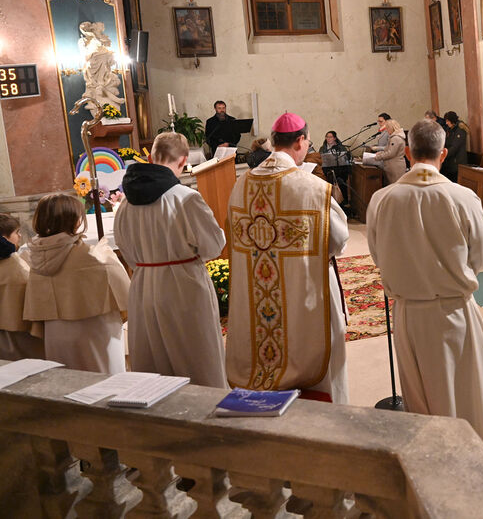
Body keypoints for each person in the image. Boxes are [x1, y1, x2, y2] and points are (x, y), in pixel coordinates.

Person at [366, 119, 483, 479]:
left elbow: (377, 254)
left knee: (422, 399)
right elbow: (480, 255)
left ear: (407, 152)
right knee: (469, 394)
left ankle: (434, 472)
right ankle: (480, 468)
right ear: (444, 153)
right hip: (455, 311)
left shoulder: (382, 200)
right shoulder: (462, 197)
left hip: (409, 314)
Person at [226, 113, 351, 402]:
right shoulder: (313, 188)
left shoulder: (242, 184)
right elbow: (339, 240)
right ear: (299, 141)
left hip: (258, 295)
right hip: (305, 289)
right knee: (323, 366)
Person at [114, 132, 228, 387]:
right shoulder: (185, 198)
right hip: (183, 286)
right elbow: (213, 246)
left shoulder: (125, 204)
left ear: (150, 158)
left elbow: (125, 250)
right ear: (184, 160)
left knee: (154, 360)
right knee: (196, 358)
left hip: (143, 286)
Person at [22, 194, 129, 373]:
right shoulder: (93, 256)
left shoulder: (35, 257)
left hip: (55, 331)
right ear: (74, 220)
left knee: (68, 379)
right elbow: (121, 289)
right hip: (93, 327)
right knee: (104, 379)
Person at [0, 214, 44, 360]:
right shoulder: (14, 266)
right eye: (16, 232)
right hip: (19, 335)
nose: (20, 236)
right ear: (4, 238)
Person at [319, 131, 352, 211]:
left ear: (334, 138)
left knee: (341, 180)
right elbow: (320, 160)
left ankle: (343, 203)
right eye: (327, 137)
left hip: (340, 170)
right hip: (327, 170)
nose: (328, 139)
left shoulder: (341, 147)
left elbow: (346, 160)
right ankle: (329, 204)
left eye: (330, 137)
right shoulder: (323, 148)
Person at [374, 119, 407, 184]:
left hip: (395, 167)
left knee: (394, 186)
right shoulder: (394, 137)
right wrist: (380, 153)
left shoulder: (396, 138)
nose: (386, 130)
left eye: (387, 128)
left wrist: (377, 157)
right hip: (392, 166)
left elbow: (391, 153)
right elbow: (388, 150)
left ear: (391, 127)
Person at [441, 111, 468, 182]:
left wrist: (443, 154)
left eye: (447, 121)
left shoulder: (460, 130)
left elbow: (454, 147)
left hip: (457, 162)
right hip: (450, 162)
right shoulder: (450, 129)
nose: (446, 123)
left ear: (452, 120)